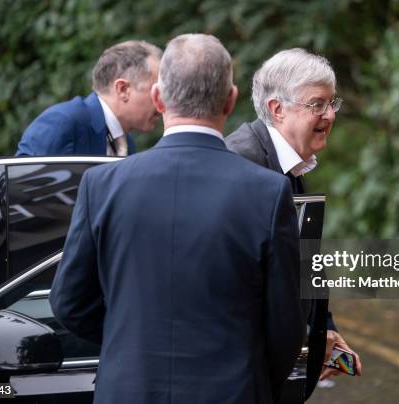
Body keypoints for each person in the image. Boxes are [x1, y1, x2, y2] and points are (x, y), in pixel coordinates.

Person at [50, 34, 305, 404]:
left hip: (128, 390)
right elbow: (286, 324)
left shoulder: (101, 185)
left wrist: (129, 342)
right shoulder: (268, 192)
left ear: (158, 97)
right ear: (230, 101)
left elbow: (70, 303)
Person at [226, 48, 362, 400]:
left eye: (333, 103)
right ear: (277, 109)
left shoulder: (291, 162)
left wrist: (324, 330)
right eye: (317, 104)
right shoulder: (242, 164)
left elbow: (303, 262)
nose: (329, 115)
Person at [16, 40, 161, 156]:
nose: (162, 101)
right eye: (156, 90)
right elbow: (20, 187)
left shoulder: (127, 144)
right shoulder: (63, 123)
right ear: (123, 89)